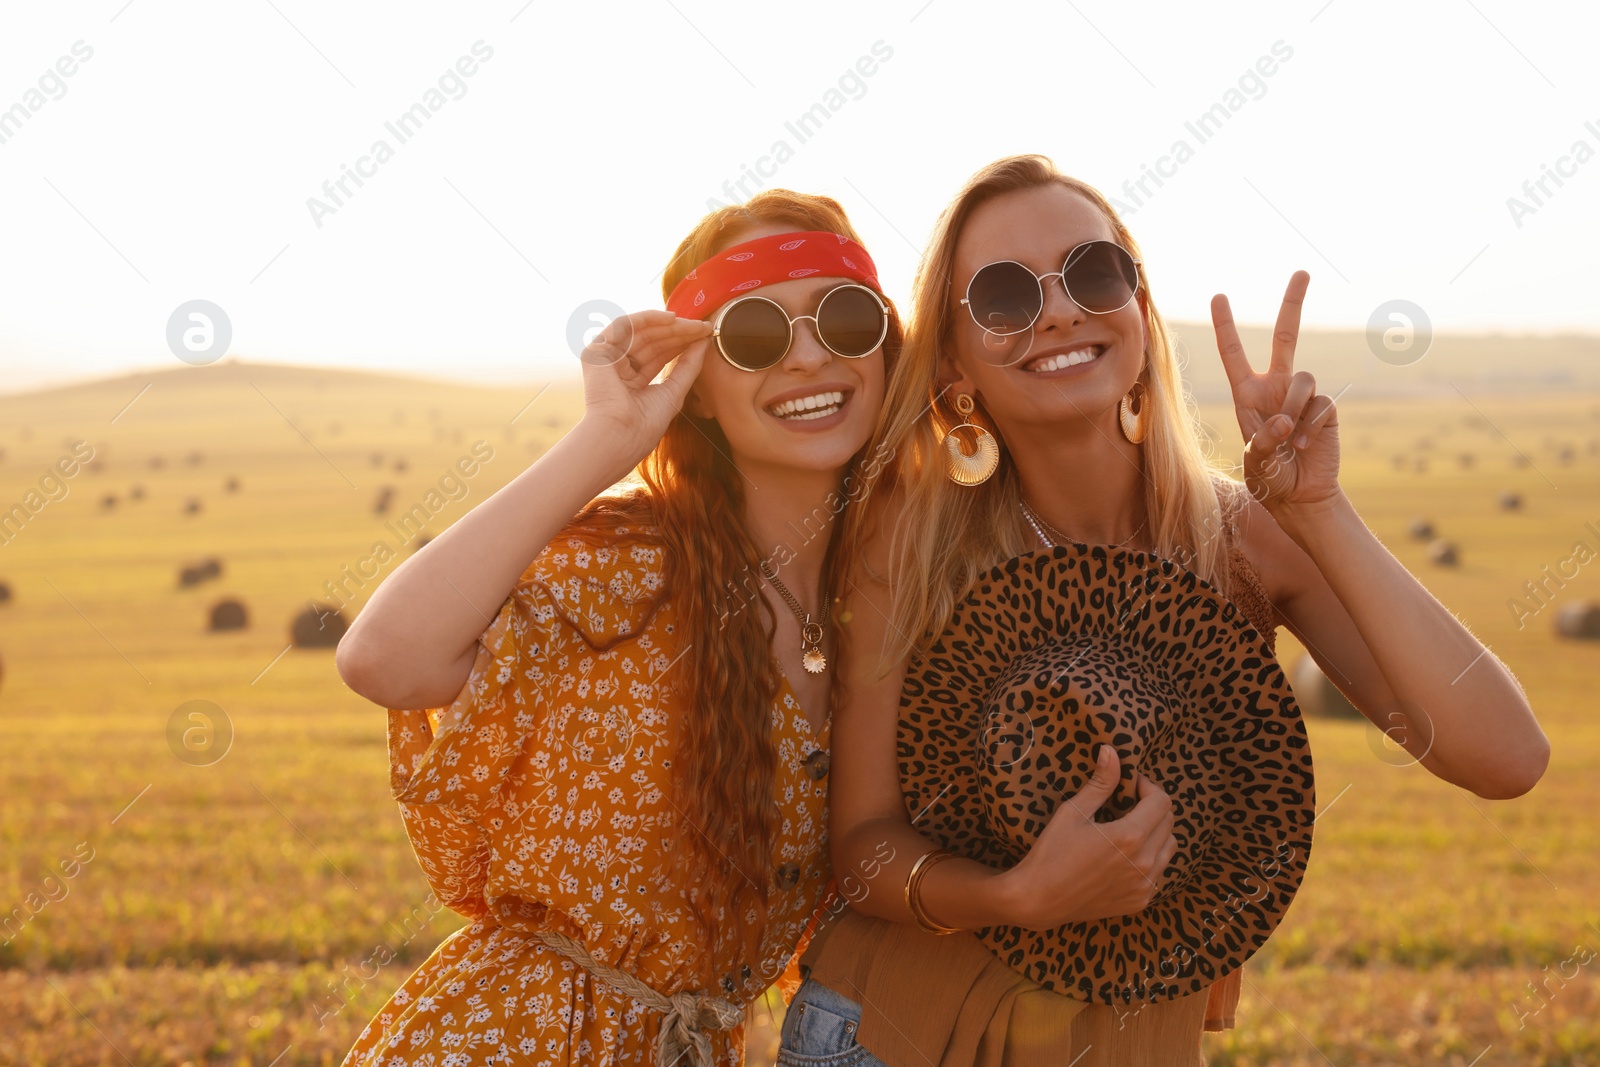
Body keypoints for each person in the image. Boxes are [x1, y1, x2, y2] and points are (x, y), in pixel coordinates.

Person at [779, 154, 1549, 1066]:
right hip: (898, 1032)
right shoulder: (910, 544)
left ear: (1138, 308)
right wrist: (1017, 896)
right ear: (953, 360)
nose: (1059, 309)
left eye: (1093, 272)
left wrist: (1318, 513)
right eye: (1001, 295)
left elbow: (1506, 757)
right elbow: (862, 848)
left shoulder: (1239, 539)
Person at [334, 188, 902, 1067]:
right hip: (512, 1044)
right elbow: (384, 658)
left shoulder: (884, 598)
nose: (808, 355)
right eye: (755, 334)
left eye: (844, 317)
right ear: (699, 391)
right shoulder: (634, 570)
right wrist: (607, 435)